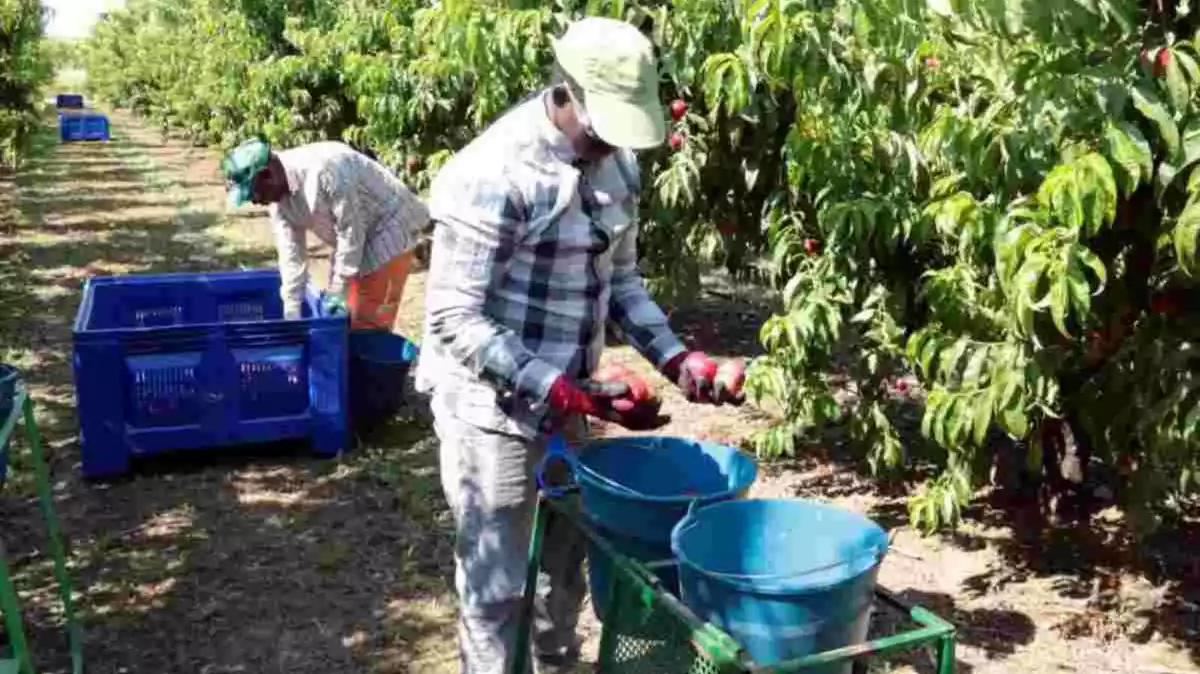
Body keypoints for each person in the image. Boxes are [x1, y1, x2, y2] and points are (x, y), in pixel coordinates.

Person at [416, 16, 742, 674]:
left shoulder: (615, 162)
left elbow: (620, 281)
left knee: (561, 575)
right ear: (565, 94)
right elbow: (455, 315)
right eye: (603, 126)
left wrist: (679, 360)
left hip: (566, 402)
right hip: (489, 409)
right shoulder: (492, 172)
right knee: (498, 585)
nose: (610, 143)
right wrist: (559, 387)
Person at [221, 139, 429, 329]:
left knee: (367, 320)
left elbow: (351, 231)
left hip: (389, 226)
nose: (256, 202)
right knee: (341, 318)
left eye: (254, 193)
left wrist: (339, 288)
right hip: (353, 237)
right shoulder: (278, 201)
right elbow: (291, 256)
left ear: (268, 174)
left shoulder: (327, 169)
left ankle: (371, 367)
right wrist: (291, 314)